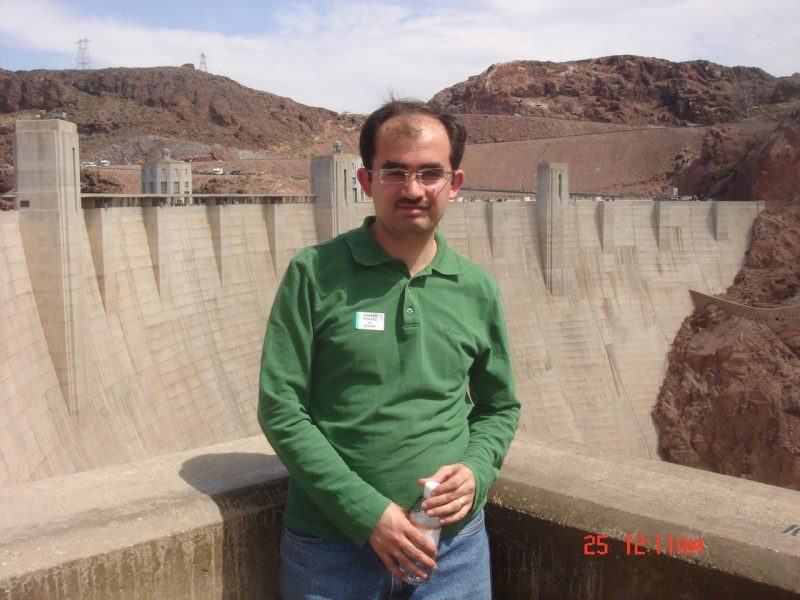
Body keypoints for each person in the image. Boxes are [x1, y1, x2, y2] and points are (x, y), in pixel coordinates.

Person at [258, 99, 520, 599]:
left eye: (430, 173)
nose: (413, 189)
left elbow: (500, 407)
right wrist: (367, 513)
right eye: (395, 172)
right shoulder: (314, 274)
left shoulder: (477, 289)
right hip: (331, 555)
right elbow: (280, 409)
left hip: (453, 552)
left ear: (454, 184)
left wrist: (477, 470)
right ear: (366, 181)